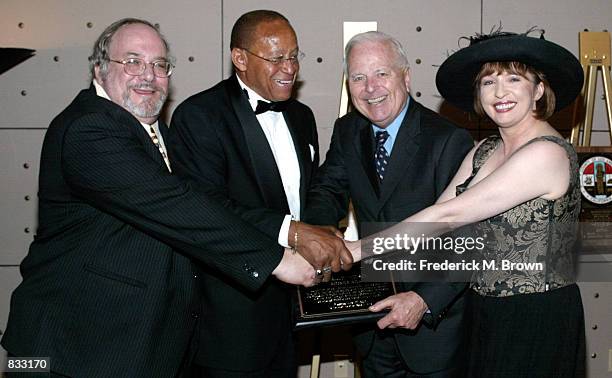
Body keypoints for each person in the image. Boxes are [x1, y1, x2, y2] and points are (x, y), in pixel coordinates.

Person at [0, 18, 321, 378]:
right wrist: (278, 259)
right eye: (133, 61)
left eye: (159, 65)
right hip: (62, 350)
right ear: (99, 68)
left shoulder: (156, 132)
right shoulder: (88, 128)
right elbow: (175, 205)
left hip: (129, 345)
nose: (148, 75)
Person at [350, 30, 586, 377]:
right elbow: (434, 223)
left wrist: (356, 251)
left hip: (534, 317)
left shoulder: (547, 153)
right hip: (483, 312)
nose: (500, 92)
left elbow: (449, 214)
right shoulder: (484, 151)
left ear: (538, 90)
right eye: (488, 81)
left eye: (513, 79)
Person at [168, 10, 351, 378]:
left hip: (292, 312)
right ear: (240, 59)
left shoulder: (301, 116)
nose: (290, 67)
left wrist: (320, 229)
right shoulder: (199, 115)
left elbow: (308, 193)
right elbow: (207, 210)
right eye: (276, 58)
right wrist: (296, 232)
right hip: (232, 320)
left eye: (294, 55)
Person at [303, 31, 474, 377]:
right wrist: (317, 237)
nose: (371, 88)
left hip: (431, 328)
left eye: (382, 73)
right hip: (371, 321)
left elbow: (468, 236)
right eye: (358, 78)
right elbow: (327, 189)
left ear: (406, 77)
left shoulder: (448, 140)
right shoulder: (347, 130)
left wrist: (424, 300)